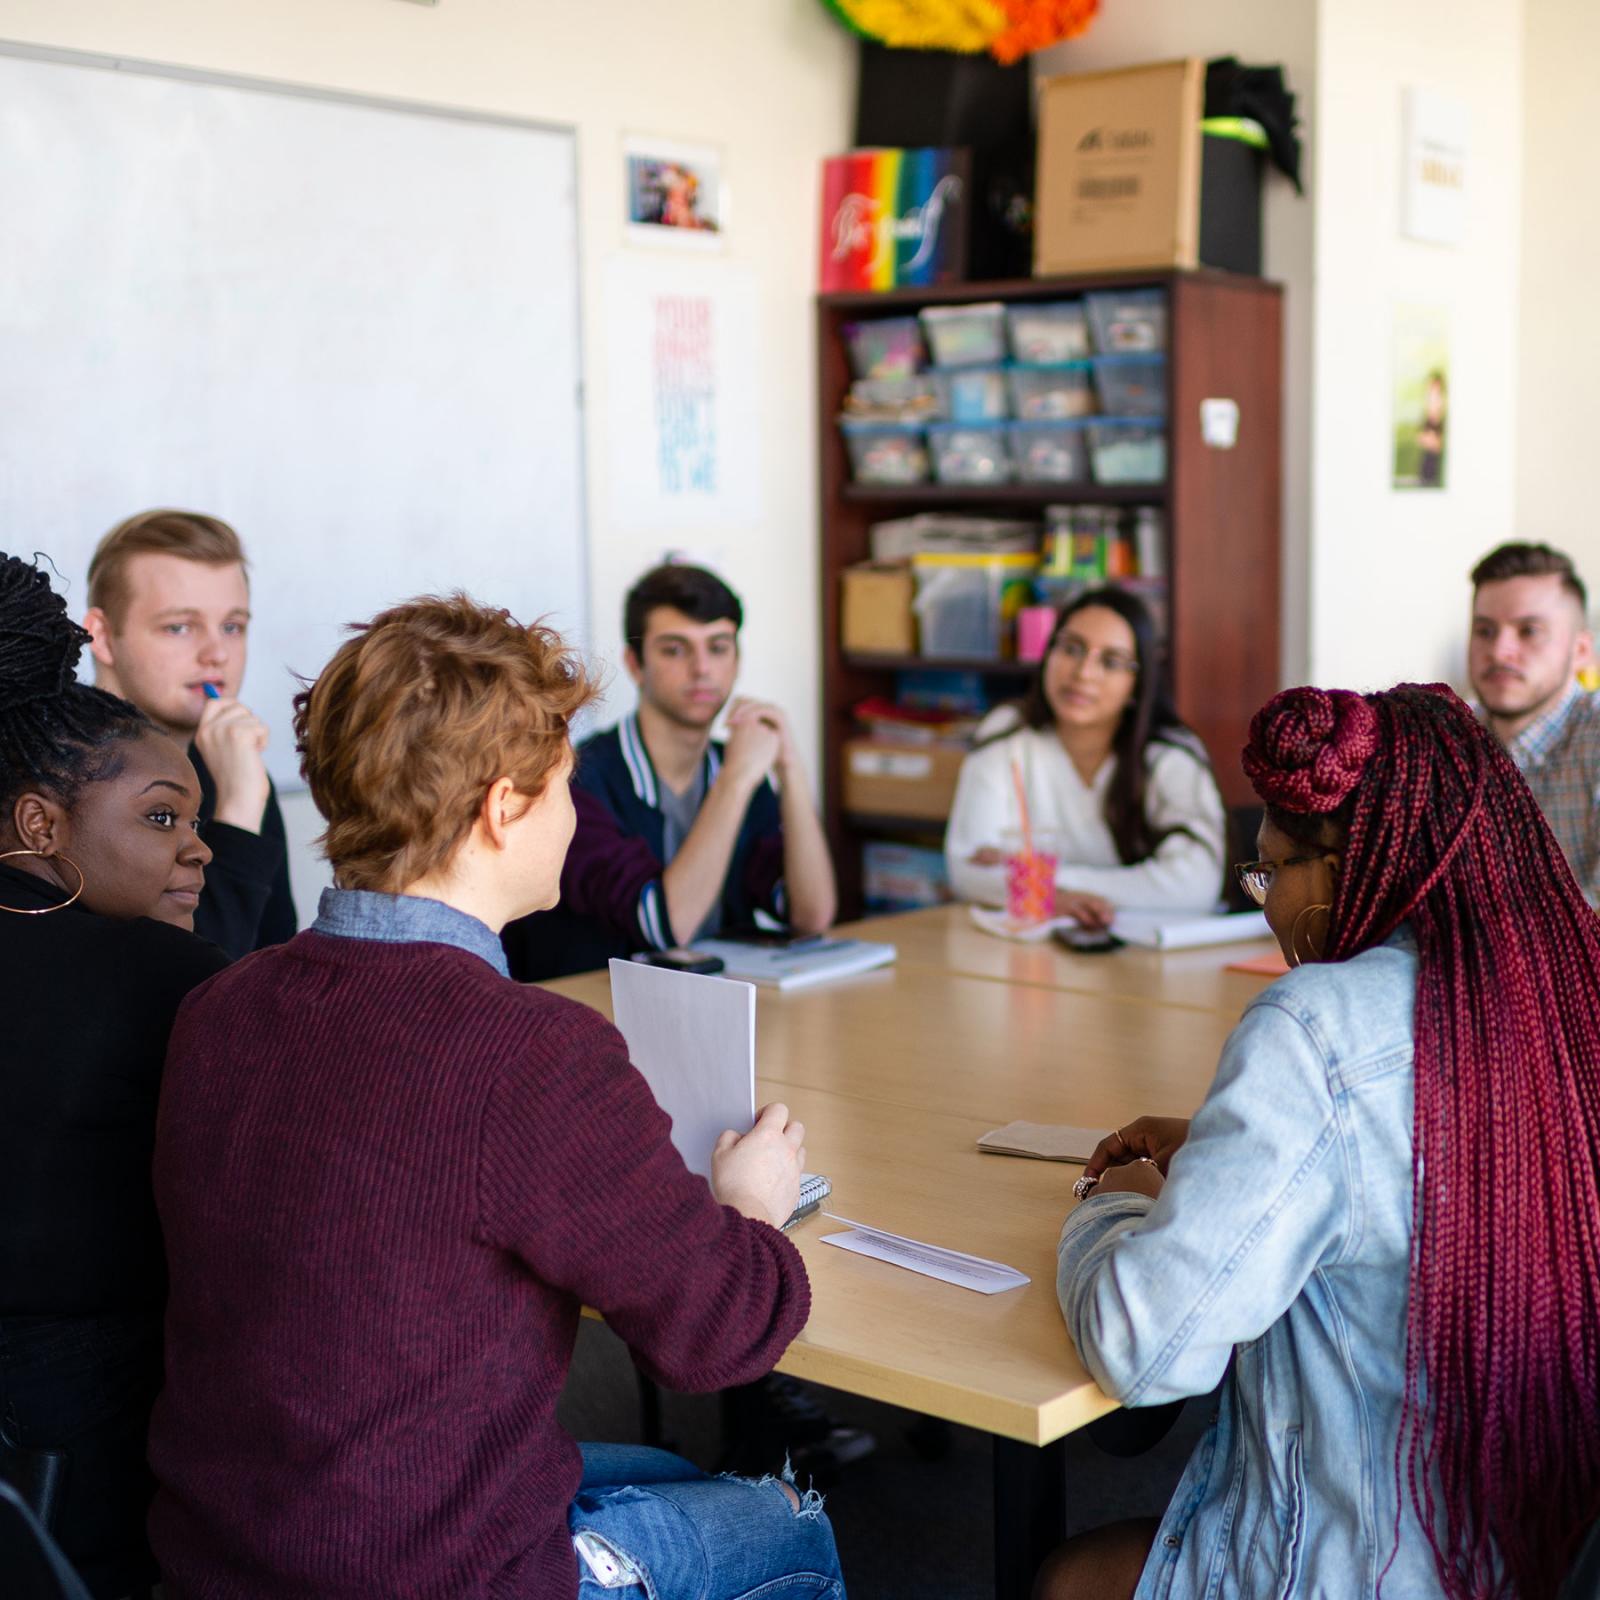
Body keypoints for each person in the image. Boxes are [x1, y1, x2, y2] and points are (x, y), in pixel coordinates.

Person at [148, 593, 845, 1600]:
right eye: (562, 788)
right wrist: (749, 1203)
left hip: (226, 1554)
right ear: (503, 808)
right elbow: (722, 1332)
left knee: (676, 1476)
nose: (571, 815)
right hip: (429, 1574)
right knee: (788, 1518)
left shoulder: (215, 1007)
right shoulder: (533, 1050)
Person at [1042, 683, 1600, 1600]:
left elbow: (1145, 1348)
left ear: (1344, 864)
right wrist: (1227, 1151)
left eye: (1270, 874)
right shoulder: (1561, 984)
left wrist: (1101, 1217)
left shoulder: (1314, 1028)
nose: (1266, 903)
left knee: (1069, 1579)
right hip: (1535, 1538)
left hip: (1371, 1559)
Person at [0, 552, 226, 1598]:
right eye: (163, 818)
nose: (199, 853)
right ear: (41, 824)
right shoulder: (161, 978)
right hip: (92, 1470)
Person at [502, 561, 836, 980]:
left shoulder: (734, 767)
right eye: (675, 649)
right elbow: (663, 924)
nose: (702, 669)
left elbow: (811, 916)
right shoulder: (578, 779)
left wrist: (790, 770)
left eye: (718, 647)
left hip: (718, 1006)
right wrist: (734, 782)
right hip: (602, 1016)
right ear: (635, 664)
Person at [82, 508, 297, 958]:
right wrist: (238, 814)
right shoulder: (57, 776)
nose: (216, 653)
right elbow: (176, 987)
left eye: (232, 626)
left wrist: (243, 798)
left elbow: (273, 966)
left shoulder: (239, 774)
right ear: (101, 636)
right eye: (179, 627)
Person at [943, 587, 1225, 927]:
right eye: (1071, 648)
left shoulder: (1170, 754)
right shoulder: (1007, 733)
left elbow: (1195, 886)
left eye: (1110, 661)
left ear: (1138, 683)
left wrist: (1043, 882)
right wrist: (1061, 898)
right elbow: (968, 869)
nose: (1083, 673)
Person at [1467, 540, 1599, 907]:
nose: (1498, 651)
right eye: (1485, 631)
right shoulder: (1449, 737)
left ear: (1581, 652)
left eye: (1529, 631)